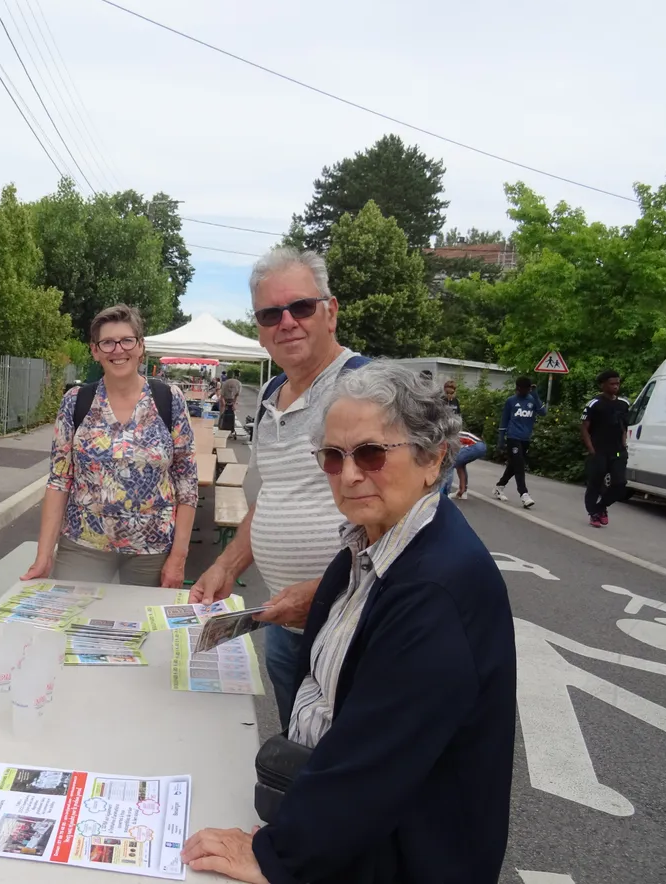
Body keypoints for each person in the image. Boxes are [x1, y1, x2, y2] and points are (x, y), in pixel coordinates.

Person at [182, 363, 516, 884]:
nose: (351, 473)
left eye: (371, 453)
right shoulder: (370, 543)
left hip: (409, 858)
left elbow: (376, 759)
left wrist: (278, 854)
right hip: (360, 834)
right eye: (333, 458)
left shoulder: (433, 587)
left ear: (432, 459)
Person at [189, 247, 368, 725]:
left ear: (330, 312)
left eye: (301, 307)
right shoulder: (271, 394)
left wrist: (326, 590)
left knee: (349, 765)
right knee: (297, 744)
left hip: (352, 629)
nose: (286, 321)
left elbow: (408, 527)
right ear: (261, 330)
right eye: (271, 313)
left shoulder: (366, 390)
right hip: (285, 623)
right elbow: (274, 497)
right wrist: (226, 563)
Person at [22, 304, 198, 587]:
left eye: (127, 340)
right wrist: (44, 554)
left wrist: (178, 558)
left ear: (140, 346)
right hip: (84, 545)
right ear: (95, 350)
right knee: (72, 625)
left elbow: (186, 483)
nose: (118, 350)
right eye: (107, 342)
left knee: (142, 627)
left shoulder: (169, 399)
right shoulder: (76, 401)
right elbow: (59, 481)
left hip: (151, 549)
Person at [581, 369, 630, 528]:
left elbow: (624, 427)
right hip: (599, 450)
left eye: (618, 383)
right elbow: (584, 428)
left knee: (620, 484)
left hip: (617, 451)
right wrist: (591, 449)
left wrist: (624, 445)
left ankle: (601, 507)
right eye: (612, 384)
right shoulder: (595, 404)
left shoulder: (623, 404)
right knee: (595, 483)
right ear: (603, 385)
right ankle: (593, 513)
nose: (616, 386)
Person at [493, 376, 545, 508]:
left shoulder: (532, 400)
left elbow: (543, 412)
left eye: (528, 389)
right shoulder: (511, 401)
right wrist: (501, 439)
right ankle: (524, 494)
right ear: (517, 388)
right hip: (513, 436)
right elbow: (504, 420)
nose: (526, 391)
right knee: (519, 464)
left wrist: (536, 395)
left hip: (525, 438)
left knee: (514, 465)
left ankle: (499, 486)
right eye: (523, 389)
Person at [443, 429, 487, 499]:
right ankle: (462, 492)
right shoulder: (453, 434)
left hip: (476, 445)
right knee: (460, 465)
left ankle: (445, 493)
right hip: (481, 446)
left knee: (450, 464)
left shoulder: (450, 436)